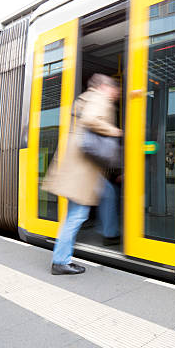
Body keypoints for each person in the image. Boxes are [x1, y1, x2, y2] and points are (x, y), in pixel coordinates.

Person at [42, 74, 122, 275]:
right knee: (77, 215)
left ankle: (109, 233)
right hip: (82, 170)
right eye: (114, 88)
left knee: (107, 193)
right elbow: (91, 119)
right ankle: (60, 261)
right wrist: (115, 132)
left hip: (79, 169)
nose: (116, 93)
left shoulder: (85, 98)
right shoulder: (98, 98)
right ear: (104, 87)